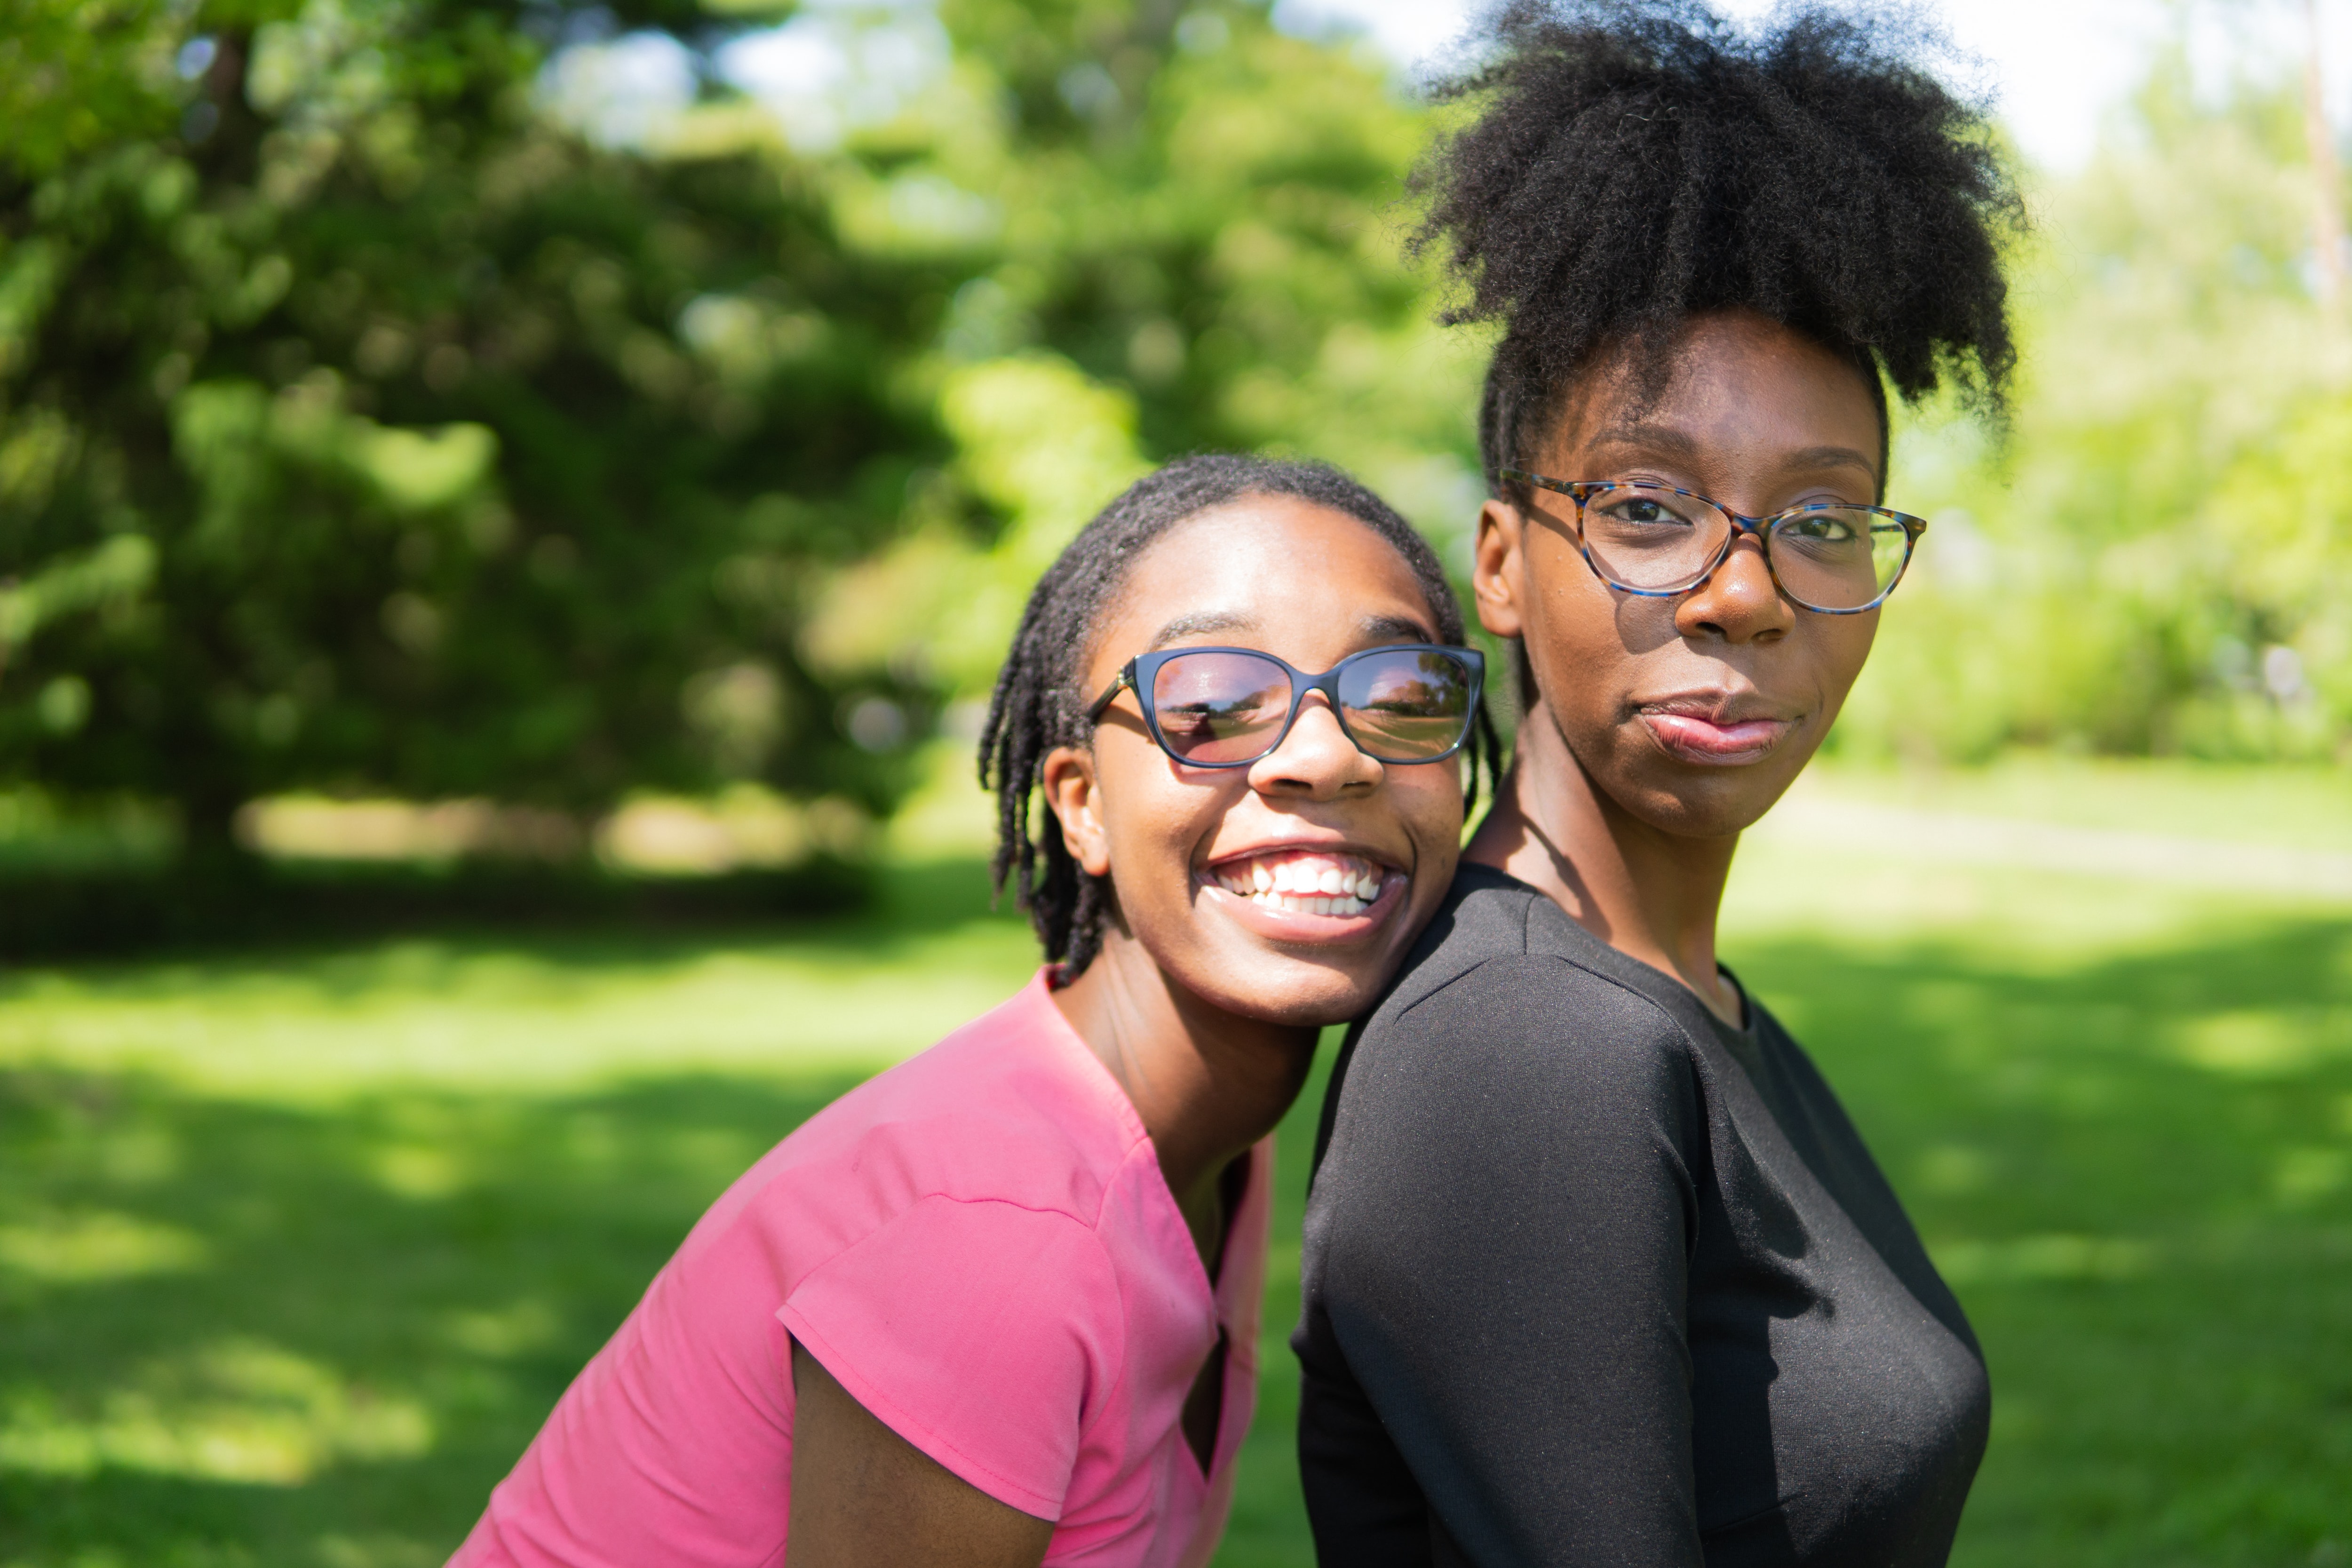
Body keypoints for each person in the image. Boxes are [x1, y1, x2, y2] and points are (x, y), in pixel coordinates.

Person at [447, 454, 1496, 1568]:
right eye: (1212, 703)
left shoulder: (1208, 1148)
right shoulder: (1002, 1229)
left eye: (1399, 693)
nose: (1325, 757)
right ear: (1081, 806)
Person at [1292, 4, 2020, 1565]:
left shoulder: (1690, 1004)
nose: (1744, 592)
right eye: (1645, 505)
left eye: (1825, 520)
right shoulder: (1522, 1051)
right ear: (1501, 562)